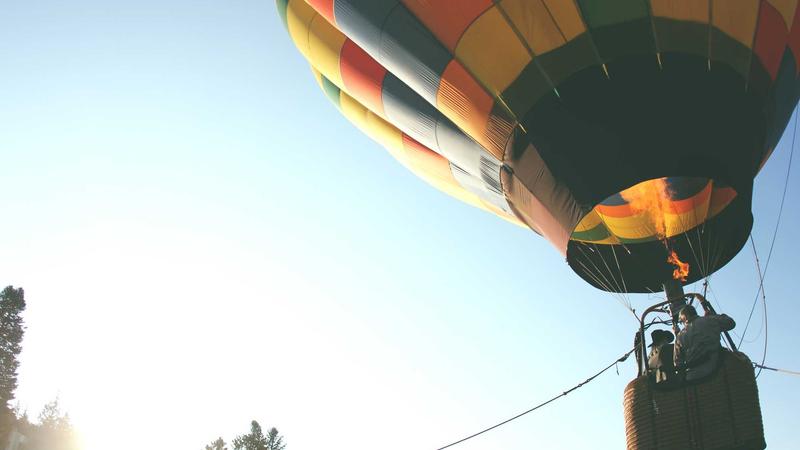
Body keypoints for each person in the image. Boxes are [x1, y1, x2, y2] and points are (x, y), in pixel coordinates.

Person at [675, 304, 736, 381]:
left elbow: (678, 363)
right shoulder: (710, 320)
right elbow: (731, 323)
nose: (682, 323)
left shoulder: (680, 336)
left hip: (693, 377)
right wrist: (713, 315)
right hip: (717, 369)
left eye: (681, 321)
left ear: (685, 316)